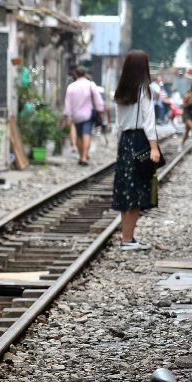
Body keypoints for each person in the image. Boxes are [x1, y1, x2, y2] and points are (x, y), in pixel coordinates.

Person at [112, 49, 160, 251]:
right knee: (137, 191)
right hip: (140, 140)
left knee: (126, 191)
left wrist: (120, 145)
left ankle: (127, 237)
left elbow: (117, 123)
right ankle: (127, 239)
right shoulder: (144, 89)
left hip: (125, 142)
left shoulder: (121, 90)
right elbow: (149, 121)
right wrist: (154, 148)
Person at [63, 66, 106, 167]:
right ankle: (84, 156)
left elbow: (67, 103)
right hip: (88, 114)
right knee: (86, 133)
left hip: (76, 115)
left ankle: (81, 155)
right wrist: (100, 110)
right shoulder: (91, 85)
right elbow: (97, 99)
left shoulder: (71, 86)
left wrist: (66, 114)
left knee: (79, 136)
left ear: (76, 74)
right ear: (85, 73)